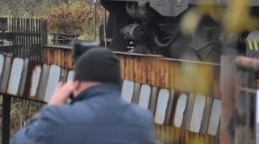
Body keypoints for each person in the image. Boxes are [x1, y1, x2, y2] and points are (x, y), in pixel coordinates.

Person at [12, 47, 155, 144]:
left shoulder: (57, 117)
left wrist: (51, 107)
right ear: (118, 82)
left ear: (76, 83)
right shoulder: (143, 120)